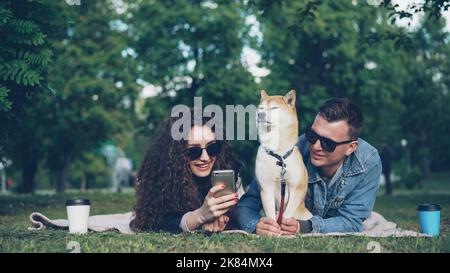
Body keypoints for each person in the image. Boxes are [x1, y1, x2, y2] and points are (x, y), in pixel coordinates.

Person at [237, 98, 382, 236]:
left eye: (328, 143)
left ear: (351, 147)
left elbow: (351, 221)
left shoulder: (368, 162)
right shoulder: (290, 149)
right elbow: (248, 203)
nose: (316, 146)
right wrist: (256, 225)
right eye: (312, 135)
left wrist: (304, 226)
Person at [130, 110, 243, 233]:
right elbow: (153, 221)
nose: (205, 158)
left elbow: (243, 212)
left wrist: (222, 219)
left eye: (212, 148)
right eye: (194, 151)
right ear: (176, 154)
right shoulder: (164, 179)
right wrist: (200, 216)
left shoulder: (226, 171)